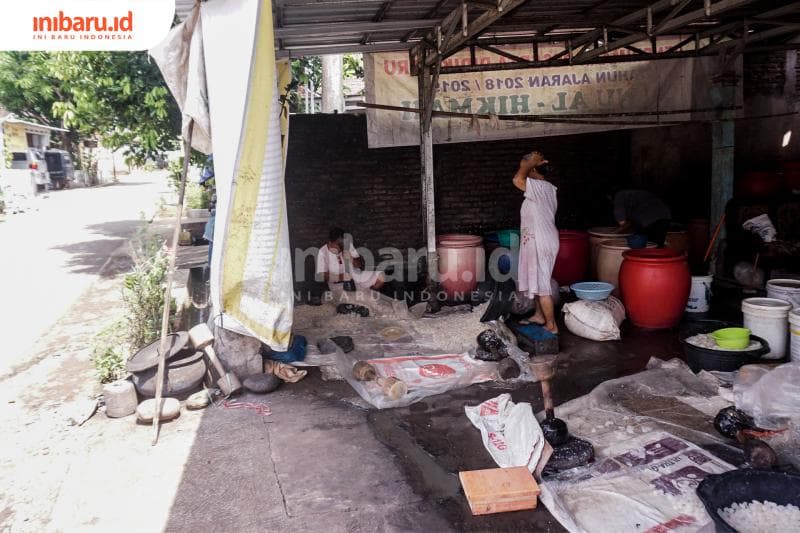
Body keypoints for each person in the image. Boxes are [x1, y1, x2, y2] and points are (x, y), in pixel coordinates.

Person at [512, 150, 560, 334]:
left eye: (531, 168)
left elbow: (517, 179)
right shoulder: (544, 188)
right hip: (540, 239)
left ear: (535, 170)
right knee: (539, 281)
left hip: (541, 241)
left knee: (542, 285)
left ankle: (551, 325)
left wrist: (528, 163)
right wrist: (528, 163)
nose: (527, 171)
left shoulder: (540, 186)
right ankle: (540, 315)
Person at [316, 227, 385, 292]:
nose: (341, 247)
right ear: (330, 242)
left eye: (342, 243)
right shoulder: (322, 252)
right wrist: (341, 277)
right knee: (350, 292)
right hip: (339, 284)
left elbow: (359, 265)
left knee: (381, 276)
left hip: (357, 277)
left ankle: (369, 293)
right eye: (338, 244)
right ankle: (361, 297)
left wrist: (351, 259)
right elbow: (322, 275)